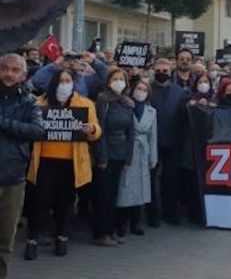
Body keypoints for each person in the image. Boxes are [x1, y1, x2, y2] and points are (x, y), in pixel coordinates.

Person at [26, 68, 102, 260]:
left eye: (68, 81)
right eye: (61, 81)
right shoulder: (39, 103)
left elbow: (96, 130)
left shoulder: (85, 104)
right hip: (45, 161)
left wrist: (92, 129)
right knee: (41, 202)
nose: (64, 84)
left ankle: (62, 237)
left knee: (66, 202)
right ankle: (32, 239)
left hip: (72, 163)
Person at [0, 54, 45, 277]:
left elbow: (38, 131)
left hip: (13, 178)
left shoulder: (30, 102)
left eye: (15, 69)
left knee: (5, 238)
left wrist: (4, 123)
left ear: (23, 75)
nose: (9, 73)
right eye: (4, 68)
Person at [94, 68, 136, 246]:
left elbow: (131, 132)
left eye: (122, 79)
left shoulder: (128, 102)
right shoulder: (103, 99)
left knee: (114, 195)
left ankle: (111, 230)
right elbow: (100, 129)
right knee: (104, 194)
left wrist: (128, 158)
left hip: (121, 152)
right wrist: (102, 157)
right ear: (108, 81)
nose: (119, 82)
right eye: (115, 78)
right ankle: (102, 232)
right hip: (107, 153)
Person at [147, 58, 189, 227]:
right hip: (152, 141)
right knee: (151, 179)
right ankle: (152, 213)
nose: (162, 73)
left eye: (165, 71)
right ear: (154, 70)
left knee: (171, 179)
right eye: (159, 70)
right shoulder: (147, 89)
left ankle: (169, 211)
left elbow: (185, 117)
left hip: (173, 141)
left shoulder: (180, 92)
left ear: (171, 72)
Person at [117, 80, 158, 238]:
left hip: (143, 151)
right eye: (138, 88)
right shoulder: (126, 106)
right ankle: (122, 221)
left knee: (140, 188)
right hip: (128, 148)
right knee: (125, 187)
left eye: (144, 89)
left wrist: (153, 157)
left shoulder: (151, 111)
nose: (140, 91)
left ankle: (136, 221)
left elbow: (153, 135)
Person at [31, 51, 108, 99]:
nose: (71, 63)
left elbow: (105, 76)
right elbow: (37, 80)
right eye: (67, 60)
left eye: (75, 60)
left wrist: (93, 61)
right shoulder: (54, 79)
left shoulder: (84, 80)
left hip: (79, 115)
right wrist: (56, 63)